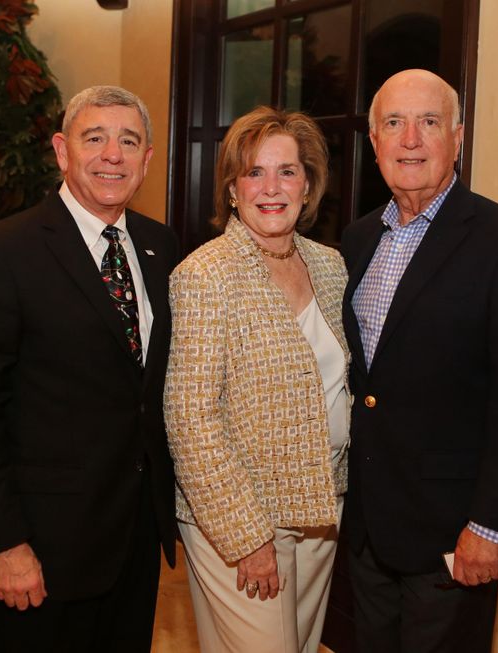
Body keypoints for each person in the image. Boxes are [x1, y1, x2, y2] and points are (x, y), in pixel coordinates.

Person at [0, 85, 179, 652]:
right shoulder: (3, 252)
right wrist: (5, 542)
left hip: (133, 544)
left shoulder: (161, 247)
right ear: (61, 150)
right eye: (93, 138)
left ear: (148, 159)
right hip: (41, 553)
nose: (112, 155)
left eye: (128, 141)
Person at [341, 69, 498, 652]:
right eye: (394, 123)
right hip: (367, 530)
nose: (410, 139)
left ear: (457, 138)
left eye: (429, 122)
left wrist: (489, 526)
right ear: (374, 142)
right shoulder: (357, 241)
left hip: (453, 534)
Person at [164, 106, 349, 653]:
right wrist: (247, 539)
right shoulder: (205, 274)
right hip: (241, 522)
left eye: (287, 171)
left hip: (322, 511)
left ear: (308, 184)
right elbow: (190, 418)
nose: (272, 187)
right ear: (231, 189)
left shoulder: (330, 266)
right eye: (254, 172)